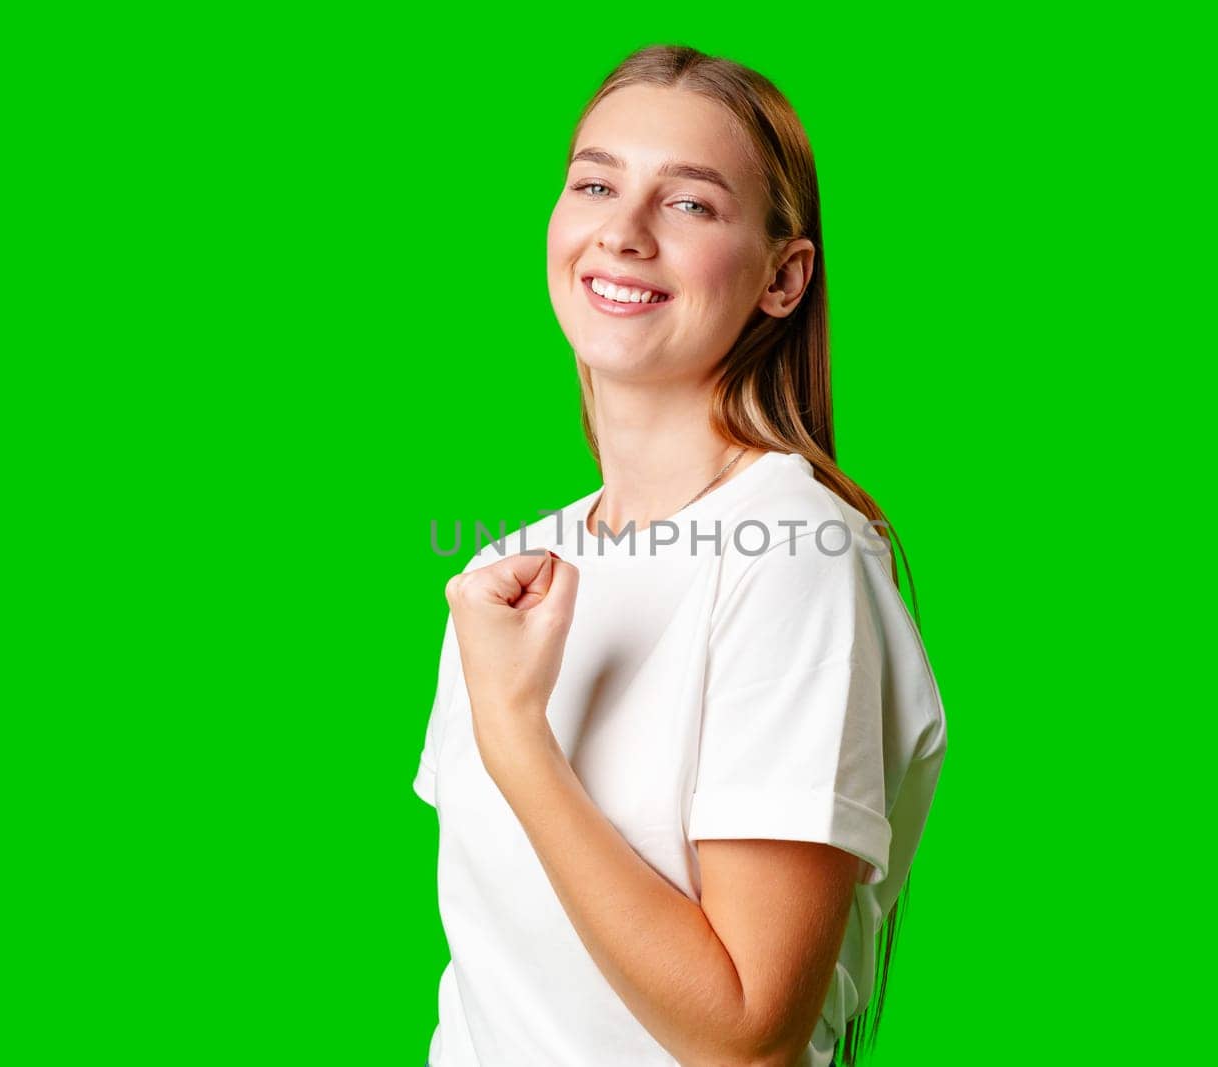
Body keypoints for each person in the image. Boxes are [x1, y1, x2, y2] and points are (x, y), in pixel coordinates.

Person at [414, 45, 947, 1067]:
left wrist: (516, 737)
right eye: (596, 183)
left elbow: (744, 1031)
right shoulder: (511, 572)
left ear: (783, 279)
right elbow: (501, 991)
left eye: (690, 204)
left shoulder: (794, 554)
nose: (621, 231)